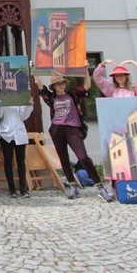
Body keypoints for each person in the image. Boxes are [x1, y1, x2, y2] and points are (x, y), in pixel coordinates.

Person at [37, 65, 114, 202]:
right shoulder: (51, 97)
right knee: (64, 159)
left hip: (73, 129)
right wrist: (34, 72)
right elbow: (40, 86)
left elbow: (87, 86)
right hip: (57, 129)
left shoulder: (72, 95)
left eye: (62, 83)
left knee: (83, 157)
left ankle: (100, 186)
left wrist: (85, 70)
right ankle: (72, 186)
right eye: (57, 84)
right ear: (53, 86)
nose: (60, 86)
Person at [94, 58, 137, 203]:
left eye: (122, 75)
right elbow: (97, 78)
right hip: (118, 128)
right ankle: (118, 189)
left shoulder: (136, 91)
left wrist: (134, 63)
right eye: (117, 75)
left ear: (126, 76)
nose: (119, 77)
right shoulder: (111, 91)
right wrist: (102, 64)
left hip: (136, 128)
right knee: (118, 161)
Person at [0, 96, 32, 198]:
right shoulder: (3, 98)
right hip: (6, 133)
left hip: (19, 132)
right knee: (8, 162)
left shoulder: (19, 99)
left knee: (21, 162)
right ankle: (11, 190)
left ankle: (23, 189)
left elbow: (23, 116)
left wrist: (28, 104)